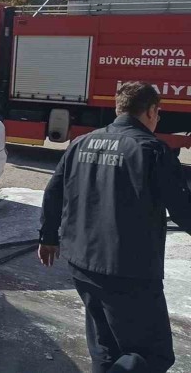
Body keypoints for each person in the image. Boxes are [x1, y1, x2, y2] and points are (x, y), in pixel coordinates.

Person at [39, 81, 191, 373]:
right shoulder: (153, 150)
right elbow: (184, 209)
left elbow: (53, 191)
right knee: (152, 354)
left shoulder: (81, 143)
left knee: (106, 350)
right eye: (157, 114)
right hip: (128, 272)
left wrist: (48, 237)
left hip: (81, 265)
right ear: (150, 111)